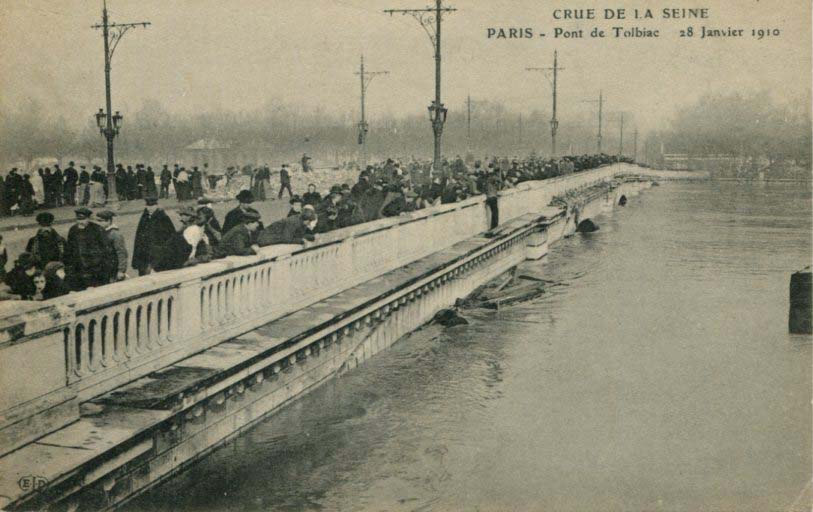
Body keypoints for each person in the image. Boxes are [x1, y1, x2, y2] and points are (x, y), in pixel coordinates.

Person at [65, 207, 111, 290]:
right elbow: (69, 249)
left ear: (89, 219)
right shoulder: (73, 230)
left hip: (96, 270)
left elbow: (106, 250)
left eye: (83, 219)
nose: (80, 222)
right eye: (78, 219)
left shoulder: (97, 229)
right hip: (79, 269)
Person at [153, 207, 211, 271]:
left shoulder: (196, 229)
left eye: (185, 215)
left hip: (183, 256)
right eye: (181, 215)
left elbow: (198, 247)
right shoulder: (191, 228)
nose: (182, 217)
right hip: (181, 254)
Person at [132, 196, 176, 276]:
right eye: (148, 206)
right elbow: (138, 237)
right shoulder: (144, 217)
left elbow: (171, 235)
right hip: (145, 253)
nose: (150, 208)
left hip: (158, 252)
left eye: (152, 206)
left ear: (156, 206)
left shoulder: (163, 217)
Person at [96, 210, 128, 282]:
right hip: (104, 268)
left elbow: (121, 253)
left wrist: (121, 270)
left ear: (109, 221)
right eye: (98, 221)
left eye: (101, 221)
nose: (99, 223)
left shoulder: (115, 234)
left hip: (114, 269)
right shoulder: (101, 232)